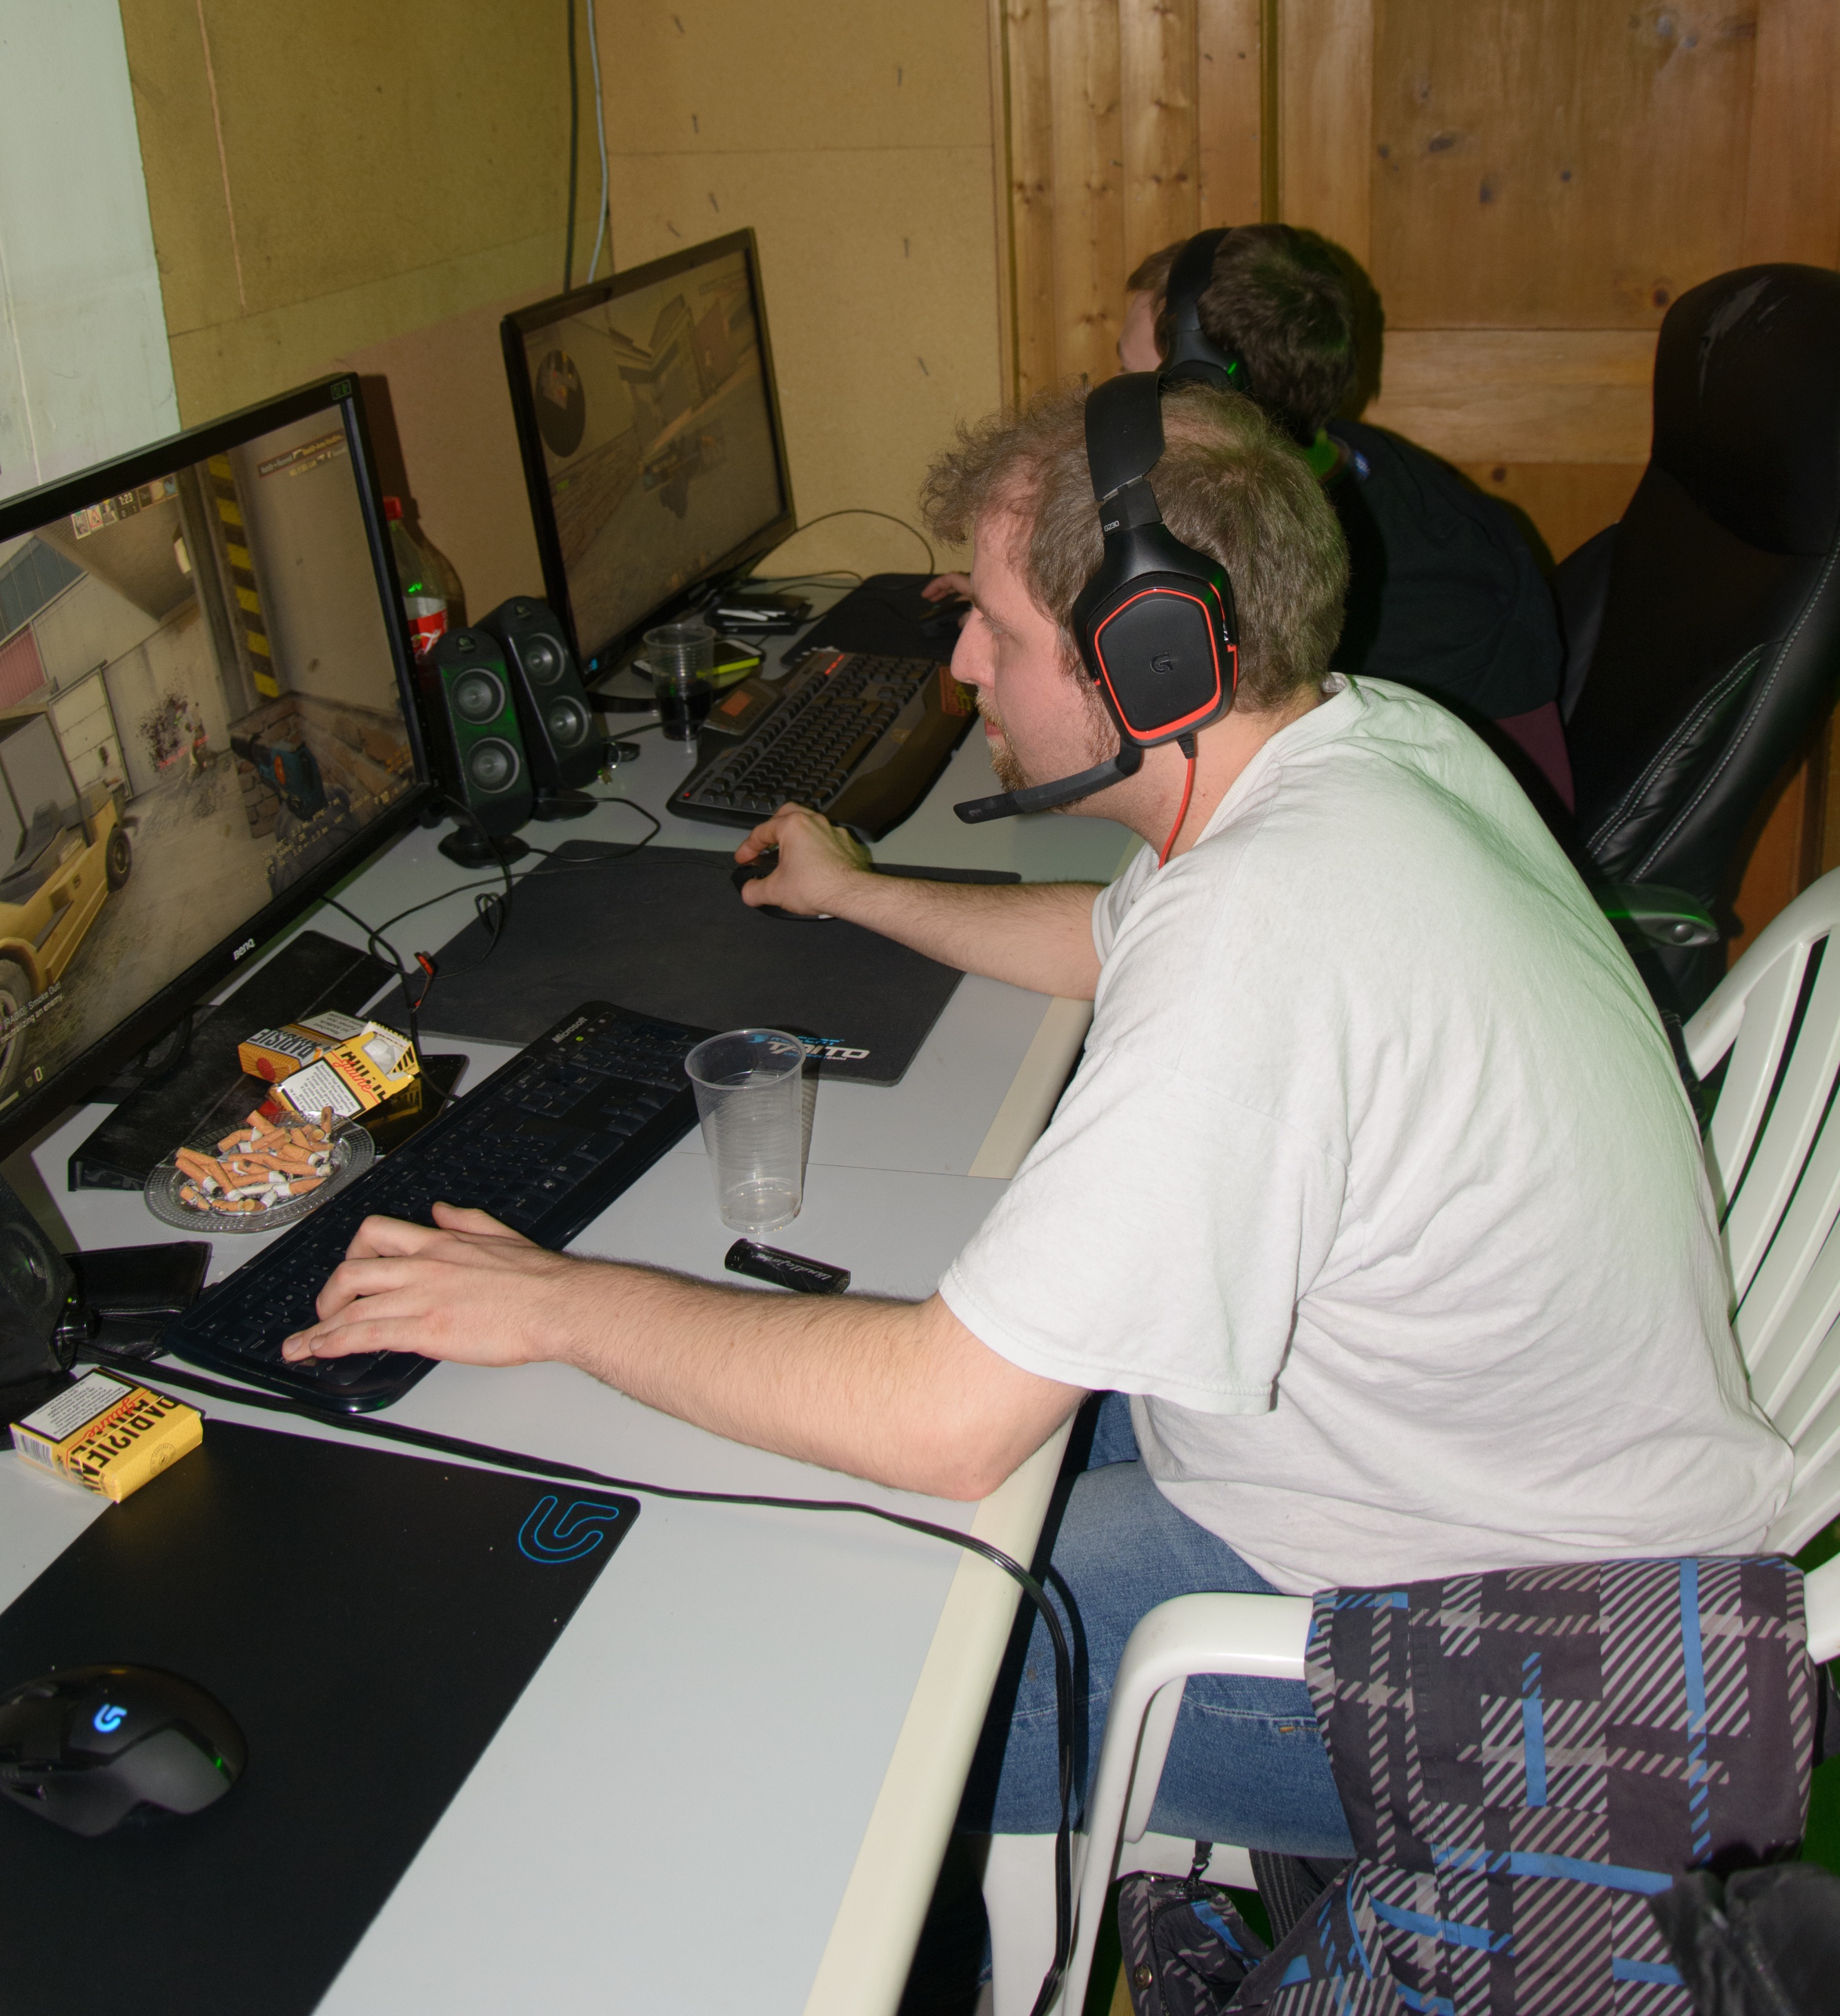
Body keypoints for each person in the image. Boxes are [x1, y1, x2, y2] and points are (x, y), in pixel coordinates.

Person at [282, 380, 1785, 1986]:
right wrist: (862, 894)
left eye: (996, 628)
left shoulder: (1266, 936)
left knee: (830, 1656)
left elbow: (946, 1418)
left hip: (1517, 1668)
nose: (959, 664)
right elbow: (1111, 937)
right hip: (1489, 1499)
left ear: (1154, 655)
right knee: (829, 1438)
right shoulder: (1368, 741)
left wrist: (561, 1301)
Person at [1122, 225, 1571, 800]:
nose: (1117, 406)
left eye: (1130, 379)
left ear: (1205, 386)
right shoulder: (1364, 466)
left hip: (1424, 822)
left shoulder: (1289, 557)